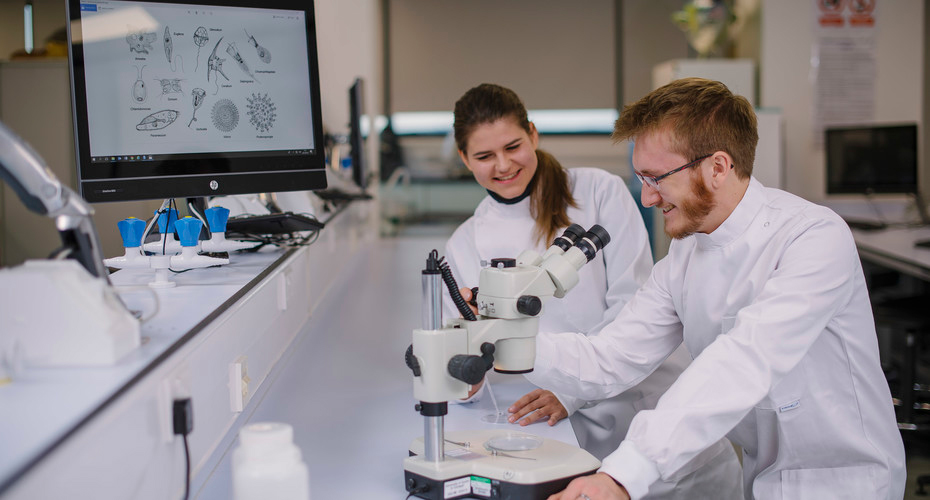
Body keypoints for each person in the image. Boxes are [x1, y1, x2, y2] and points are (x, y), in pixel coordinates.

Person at [534, 77, 906, 500]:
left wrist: (625, 474)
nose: (648, 199)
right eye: (642, 179)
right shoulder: (682, 261)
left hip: (847, 482)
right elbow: (609, 358)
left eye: (656, 178)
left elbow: (745, 358)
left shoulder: (813, 237)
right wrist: (506, 342)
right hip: (762, 479)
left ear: (718, 167)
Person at [442, 83, 743, 499]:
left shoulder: (599, 191)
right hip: (559, 438)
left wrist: (568, 390)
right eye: (484, 156)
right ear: (464, 158)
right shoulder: (465, 242)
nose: (503, 165)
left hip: (646, 413)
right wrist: (464, 367)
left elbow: (632, 307)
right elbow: (470, 348)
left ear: (533, 134)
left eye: (513, 146)